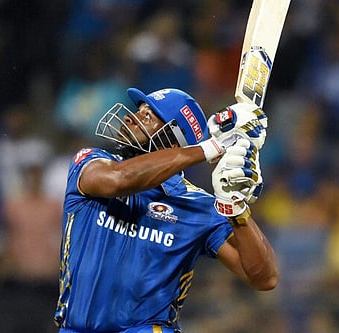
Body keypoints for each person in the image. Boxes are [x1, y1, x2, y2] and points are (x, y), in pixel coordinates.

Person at [54, 87, 278, 332]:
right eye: (138, 111)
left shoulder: (197, 205)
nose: (131, 117)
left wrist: (235, 208)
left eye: (148, 116)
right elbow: (117, 180)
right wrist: (211, 148)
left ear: (172, 142)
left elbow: (264, 277)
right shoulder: (90, 161)